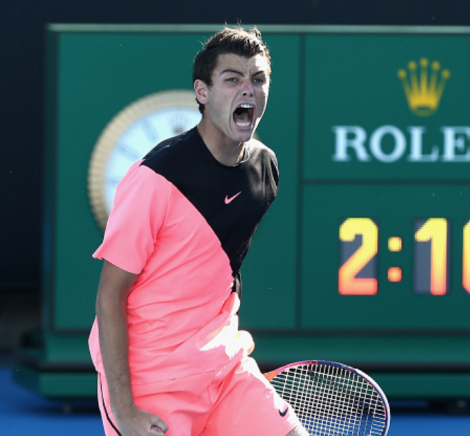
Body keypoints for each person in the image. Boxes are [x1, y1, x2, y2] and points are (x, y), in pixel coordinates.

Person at [89, 26, 307, 436]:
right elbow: (110, 293)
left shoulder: (264, 170)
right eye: (232, 79)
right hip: (152, 381)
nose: (249, 90)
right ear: (202, 93)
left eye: (258, 80)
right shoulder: (155, 179)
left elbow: (224, 262)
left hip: (224, 371)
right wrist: (125, 407)